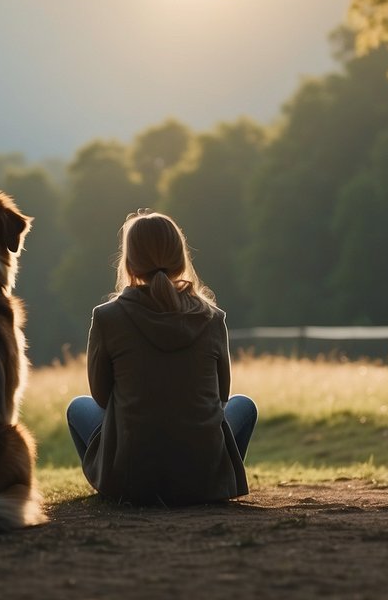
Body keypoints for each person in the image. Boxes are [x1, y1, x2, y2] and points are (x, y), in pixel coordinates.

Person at [66, 210, 257, 505]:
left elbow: (102, 398)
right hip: (201, 476)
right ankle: (212, 484)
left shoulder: (107, 318)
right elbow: (222, 395)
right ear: (181, 259)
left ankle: (111, 487)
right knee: (244, 405)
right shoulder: (211, 318)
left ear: (129, 262)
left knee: (78, 407)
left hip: (133, 477)